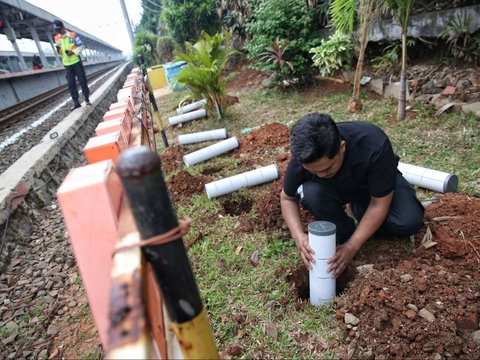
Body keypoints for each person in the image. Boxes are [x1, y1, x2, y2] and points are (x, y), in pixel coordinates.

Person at [280, 113, 424, 278]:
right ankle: (345, 227)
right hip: (333, 190)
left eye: (327, 169)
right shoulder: (302, 159)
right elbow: (287, 198)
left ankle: (360, 209)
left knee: (408, 222)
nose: (321, 175)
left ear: (342, 147)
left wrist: (351, 247)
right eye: (313, 171)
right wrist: (298, 235)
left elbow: (379, 204)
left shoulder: (373, 144)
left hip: (373, 184)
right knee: (312, 192)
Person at [53, 20, 91, 111]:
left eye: (58, 29)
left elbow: (81, 46)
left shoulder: (72, 35)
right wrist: (59, 50)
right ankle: (76, 103)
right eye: (56, 30)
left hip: (76, 62)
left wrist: (73, 52)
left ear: (62, 27)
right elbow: (59, 51)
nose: (57, 31)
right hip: (67, 64)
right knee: (71, 83)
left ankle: (87, 99)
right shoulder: (57, 38)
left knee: (82, 81)